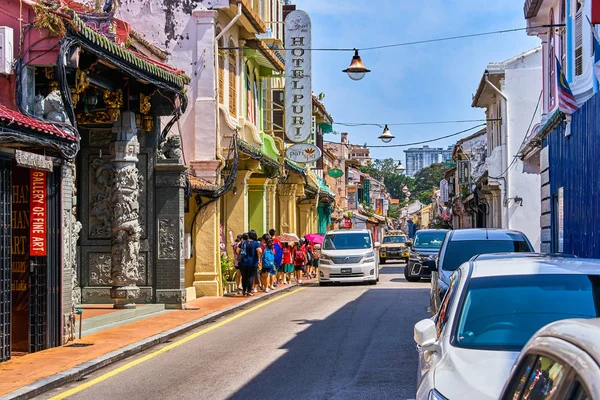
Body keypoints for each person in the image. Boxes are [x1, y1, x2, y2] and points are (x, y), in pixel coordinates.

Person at [239, 230, 261, 296]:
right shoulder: (256, 243)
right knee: (250, 276)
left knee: (244, 276)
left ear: (248, 235)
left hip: (243, 262)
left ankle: (244, 290)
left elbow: (237, 250)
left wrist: (241, 256)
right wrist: (258, 258)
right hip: (253, 262)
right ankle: (249, 291)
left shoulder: (243, 242)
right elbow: (259, 251)